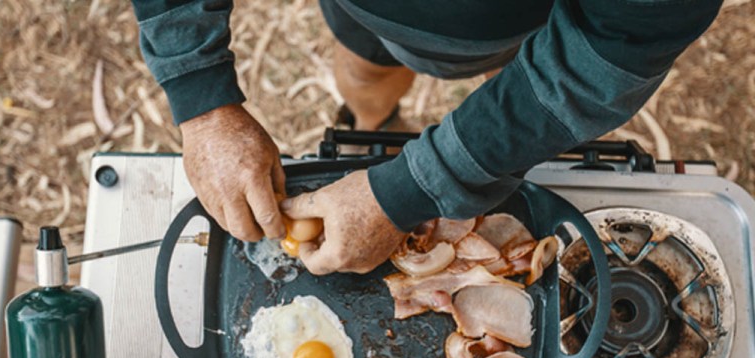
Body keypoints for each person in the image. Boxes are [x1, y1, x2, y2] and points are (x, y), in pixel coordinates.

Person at [132, 0, 721, 275]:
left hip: (532, 23)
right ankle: (373, 123)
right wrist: (200, 95)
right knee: (366, 76)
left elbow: (607, 51)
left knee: (521, 84)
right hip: (367, 17)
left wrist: (412, 187)